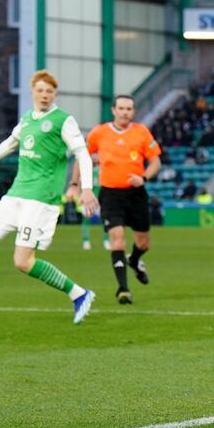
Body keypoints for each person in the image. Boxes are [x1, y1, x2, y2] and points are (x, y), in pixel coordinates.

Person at [0, 69, 97, 324]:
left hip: (41, 199)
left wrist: (86, 188)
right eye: (40, 90)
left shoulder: (63, 120)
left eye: (50, 91)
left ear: (55, 95)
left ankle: (78, 293)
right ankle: (80, 294)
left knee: (22, 262)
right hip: (16, 195)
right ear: (33, 91)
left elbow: (83, 154)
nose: (45, 95)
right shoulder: (26, 120)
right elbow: (10, 143)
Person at [70, 95, 161, 305]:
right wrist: (75, 184)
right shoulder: (99, 132)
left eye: (129, 108)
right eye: (121, 108)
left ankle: (135, 260)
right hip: (110, 194)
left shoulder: (141, 132)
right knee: (117, 238)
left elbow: (156, 161)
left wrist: (144, 177)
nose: (125, 112)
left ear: (133, 111)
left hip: (136, 194)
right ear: (113, 110)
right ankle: (123, 289)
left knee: (143, 243)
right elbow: (82, 157)